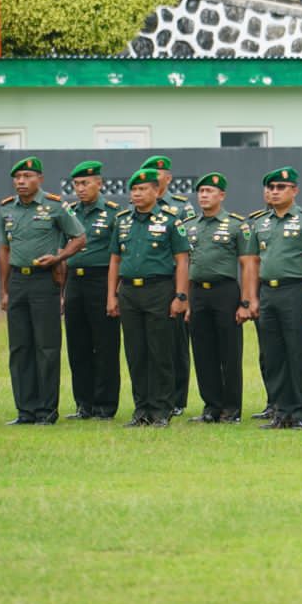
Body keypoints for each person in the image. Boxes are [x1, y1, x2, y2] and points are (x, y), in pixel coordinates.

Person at [0, 156, 85, 425]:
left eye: (27, 176)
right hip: (18, 282)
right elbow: (4, 250)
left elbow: (80, 238)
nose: (21, 182)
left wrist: (59, 259)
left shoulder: (56, 207)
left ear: (40, 179)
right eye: (17, 177)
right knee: (20, 347)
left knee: (46, 348)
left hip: (43, 281)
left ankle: (47, 411)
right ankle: (25, 410)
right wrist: (4, 290)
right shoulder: (7, 209)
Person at [107, 167, 190, 427]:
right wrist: (112, 295)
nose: (138, 194)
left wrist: (181, 296)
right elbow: (115, 260)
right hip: (130, 292)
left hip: (160, 290)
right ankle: (141, 408)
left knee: (160, 352)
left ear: (156, 191)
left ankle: (162, 410)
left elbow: (182, 260)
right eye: (134, 190)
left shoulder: (170, 220)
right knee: (136, 353)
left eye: (143, 189)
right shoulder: (122, 220)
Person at [248, 166, 302, 429]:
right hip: (267, 292)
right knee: (273, 355)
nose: (274, 191)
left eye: (281, 187)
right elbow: (253, 263)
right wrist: (252, 298)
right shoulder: (260, 222)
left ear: (294, 190)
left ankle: (301, 412)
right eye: (270, 187)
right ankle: (280, 411)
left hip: (295, 291)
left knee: (298, 352)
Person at [184, 172, 250, 424]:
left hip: (225, 291)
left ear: (221, 195)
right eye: (201, 191)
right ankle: (211, 406)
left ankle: (231, 408)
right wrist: (188, 300)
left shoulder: (235, 224)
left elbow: (246, 264)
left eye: (209, 191)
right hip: (199, 292)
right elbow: (188, 264)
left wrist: (245, 301)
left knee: (229, 352)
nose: (204, 196)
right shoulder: (191, 225)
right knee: (202, 352)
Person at [63, 161, 122, 421]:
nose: (80, 189)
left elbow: (118, 255)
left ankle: (105, 405)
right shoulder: (68, 212)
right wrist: (63, 292)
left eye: (86, 183)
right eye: (76, 184)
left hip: (101, 281)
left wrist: (114, 292)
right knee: (78, 346)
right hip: (75, 281)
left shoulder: (114, 213)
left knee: (105, 346)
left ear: (99, 183)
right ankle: (83, 405)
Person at [138, 155, 193, 417]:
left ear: (168, 178)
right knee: (150, 344)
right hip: (147, 282)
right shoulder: (135, 210)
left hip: (172, 279)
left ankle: (178, 398)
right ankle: (153, 397)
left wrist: (184, 292)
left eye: (157, 174)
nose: (152, 178)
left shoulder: (181, 208)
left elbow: (190, 250)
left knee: (176, 342)